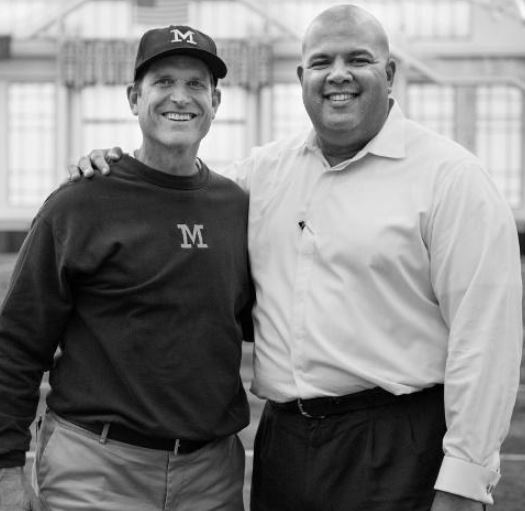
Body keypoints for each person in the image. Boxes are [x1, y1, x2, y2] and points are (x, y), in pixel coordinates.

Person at [71, 4, 523, 511]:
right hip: (285, 446)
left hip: (400, 446)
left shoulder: (451, 179)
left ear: (390, 73)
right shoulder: (264, 175)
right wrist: (116, 168)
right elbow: (178, 191)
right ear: (301, 76)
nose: (339, 75)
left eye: (359, 59)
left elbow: (486, 341)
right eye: (322, 61)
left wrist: (464, 482)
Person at [0, 24, 253, 511]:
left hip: (210, 475)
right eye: (163, 82)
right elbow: (16, 343)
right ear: (135, 97)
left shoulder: (236, 206)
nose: (180, 97)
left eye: (196, 84)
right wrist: (6, 469)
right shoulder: (80, 202)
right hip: (95, 470)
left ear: (215, 102)